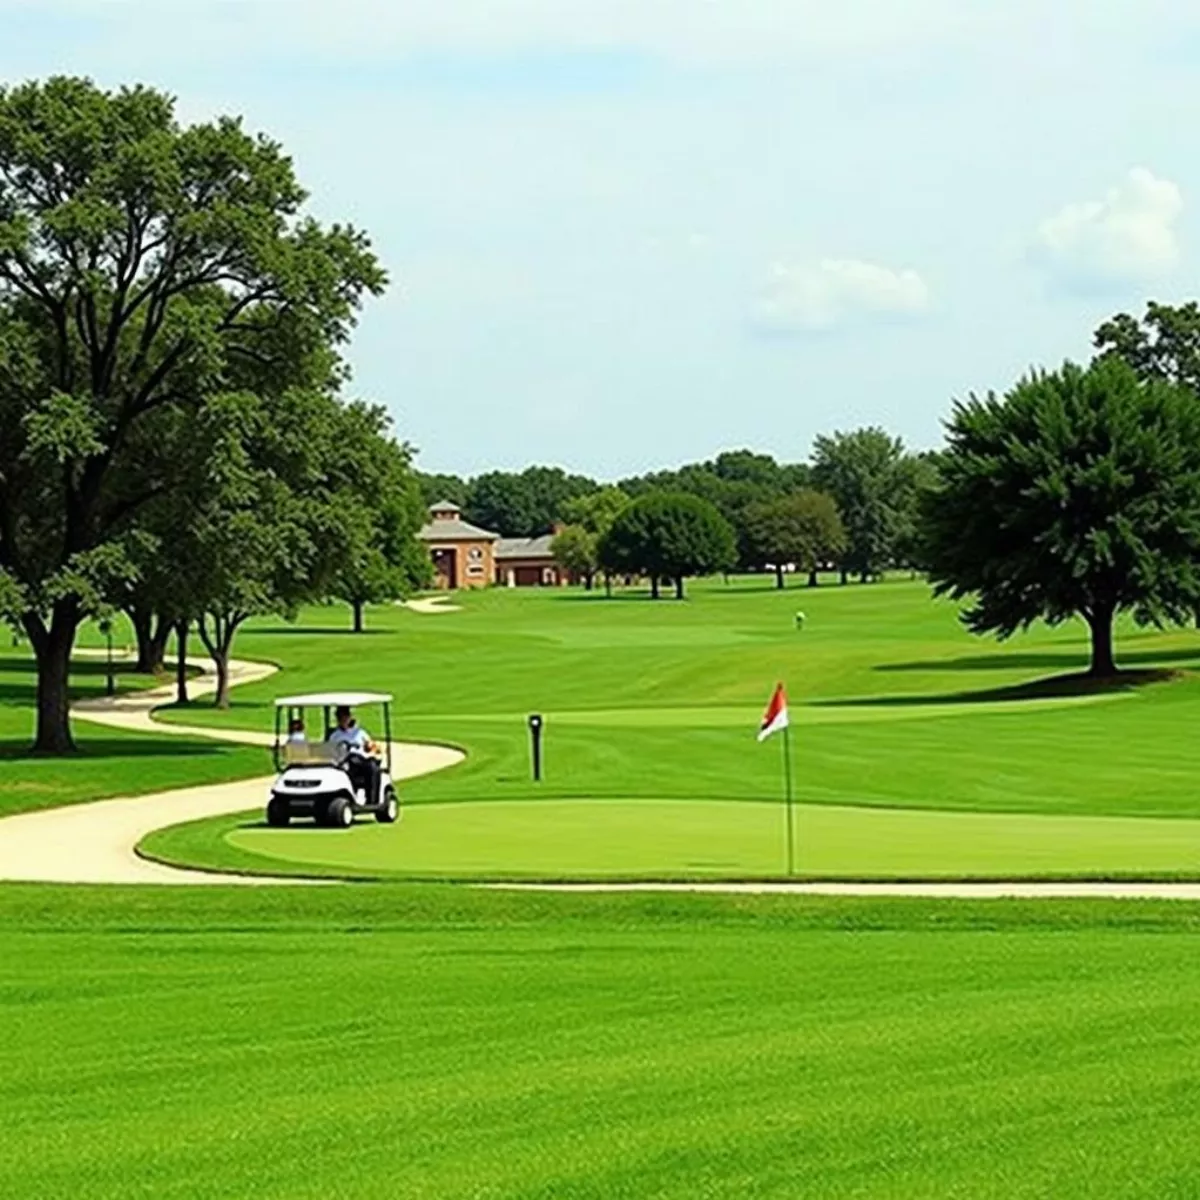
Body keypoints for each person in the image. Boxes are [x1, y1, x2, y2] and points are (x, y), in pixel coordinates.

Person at [329, 705, 382, 805]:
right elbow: (331, 752)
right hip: (344, 762)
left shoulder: (359, 732)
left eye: (345, 717)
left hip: (361, 762)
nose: (342, 720)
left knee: (373, 767)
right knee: (351, 760)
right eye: (340, 718)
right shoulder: (335, 736)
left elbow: (372, 746)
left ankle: (372, 801)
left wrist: (372, 747)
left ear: (349, 717)